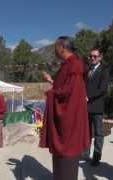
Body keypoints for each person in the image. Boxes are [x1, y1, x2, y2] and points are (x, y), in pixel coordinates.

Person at [39, 36, 91, 180]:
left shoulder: (74, 64)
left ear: (62, 47)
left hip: (69, 119)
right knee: (60, 160)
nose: (55, 49)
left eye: (56, 46)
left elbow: (69, 92)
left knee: (67, 157)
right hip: (69, 117)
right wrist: (52, 81)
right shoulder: (68, 64)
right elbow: (65, 86)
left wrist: (51, 94)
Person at [84, 48, 110, 166]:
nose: (92, 58)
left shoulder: (104, 69)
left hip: (97, 106)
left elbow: (102, 89)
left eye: (95, 56)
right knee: (87, 132)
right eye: (91, 56)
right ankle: (85, 153)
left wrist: (88, 97)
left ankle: (96, 157)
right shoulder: (88, 69)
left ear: (100, 57)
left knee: (99, 133)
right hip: (86, 107)